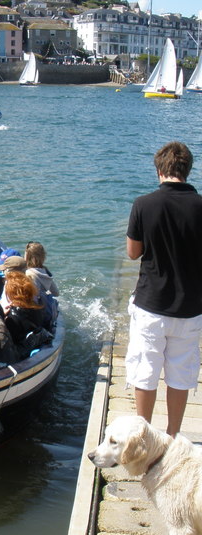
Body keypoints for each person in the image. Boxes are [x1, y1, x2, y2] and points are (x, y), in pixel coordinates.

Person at [125, 141, 202, 437]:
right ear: (187, 170)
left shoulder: (143, 204)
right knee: (180, 374)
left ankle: (143, 434)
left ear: (159, 169)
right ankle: (171, 436)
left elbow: (133, 253)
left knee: (145, 371)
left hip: (151, 303)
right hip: (190, 307)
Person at [3, 271, 45, 359]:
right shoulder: (38, 308)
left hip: (19, 354)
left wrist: (2, 317)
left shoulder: (12, 318)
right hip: (34, 345)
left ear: (11, 293)